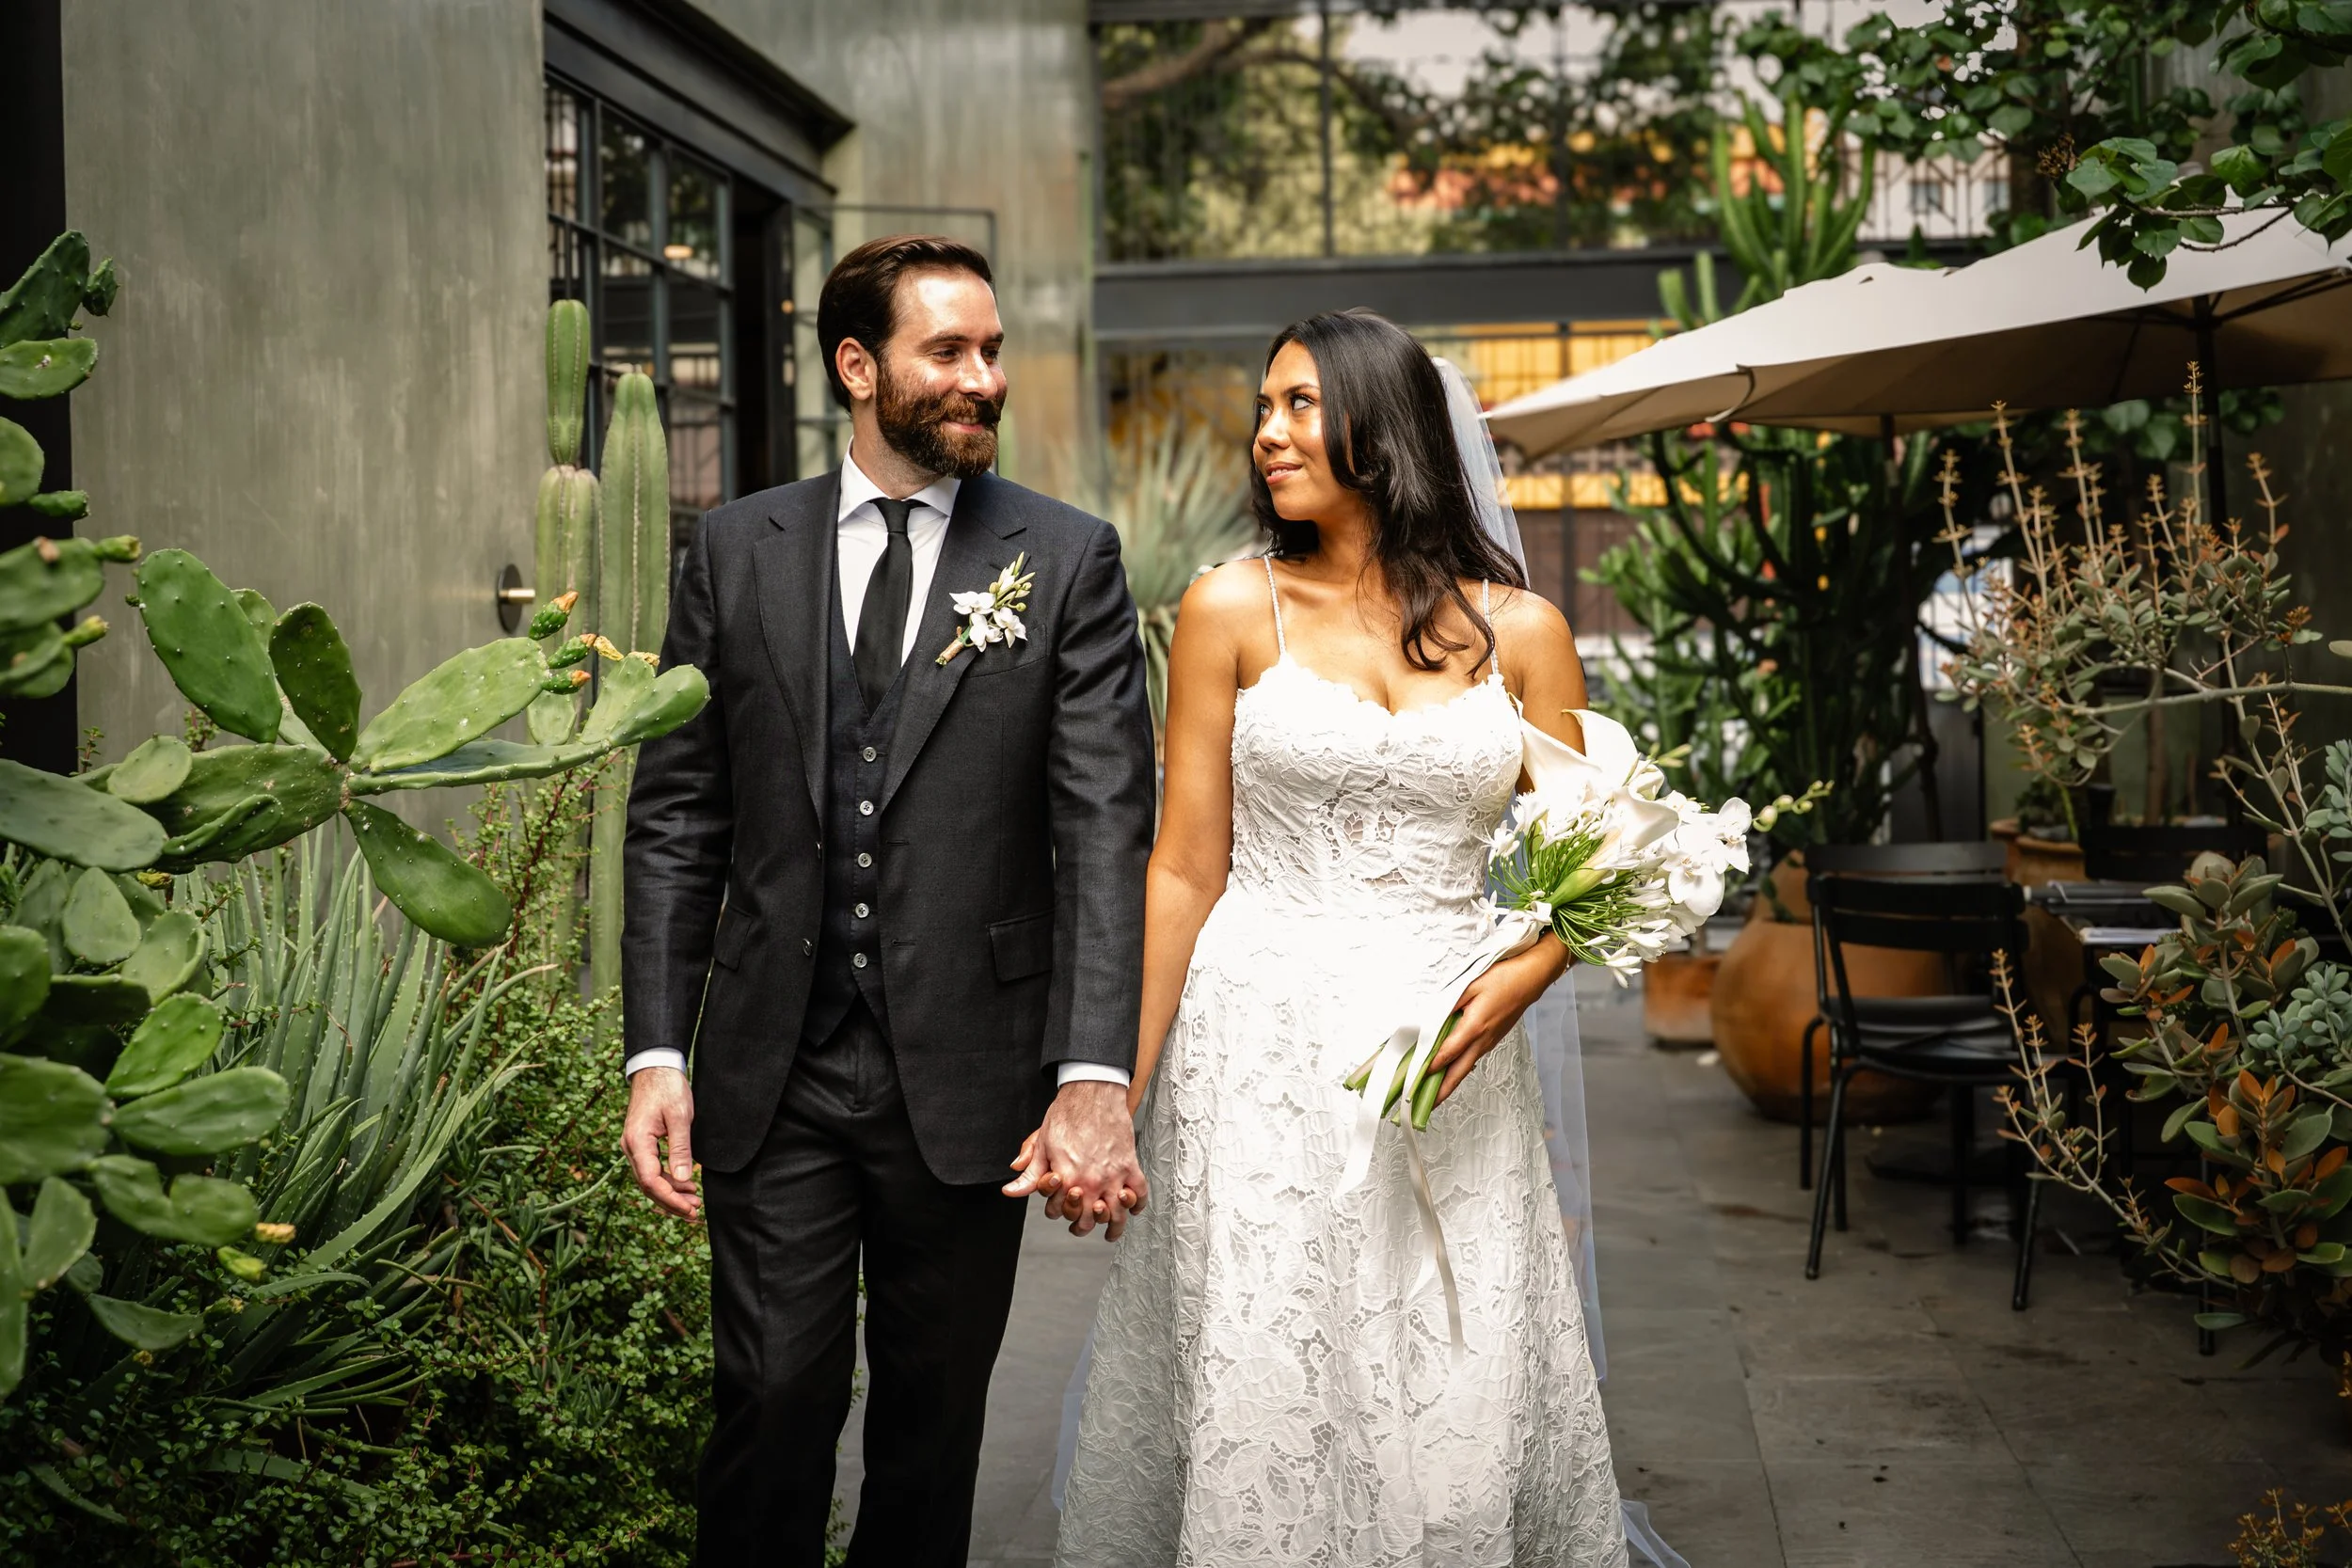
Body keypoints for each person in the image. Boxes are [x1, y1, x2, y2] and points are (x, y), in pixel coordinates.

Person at [1038, 309, 1629, 1566]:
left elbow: (1602, 865)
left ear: (1386, 422)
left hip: (1448, 1059)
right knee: (1268, 1382)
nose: (1267, 434)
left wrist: (1515, 982)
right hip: (1253, 1051)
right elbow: (1185, 867)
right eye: (1262, 409)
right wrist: (1115, 1095)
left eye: (1299, 404)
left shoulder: (1521, 632)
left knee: (1454, 1395)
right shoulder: (1228, 608)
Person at [619, 233, 1157, 1568]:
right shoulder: (734, 550)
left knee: (933, 1428)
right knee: (772, 1396)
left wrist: (1091, 1073)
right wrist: (657, 1048)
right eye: (949, 352)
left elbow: (1103, 828)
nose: (983, 379)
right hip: (776, 1064)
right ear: (860, 367)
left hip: (967, 1067)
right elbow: (680, 810)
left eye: (991, 352)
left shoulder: (1067, 557)